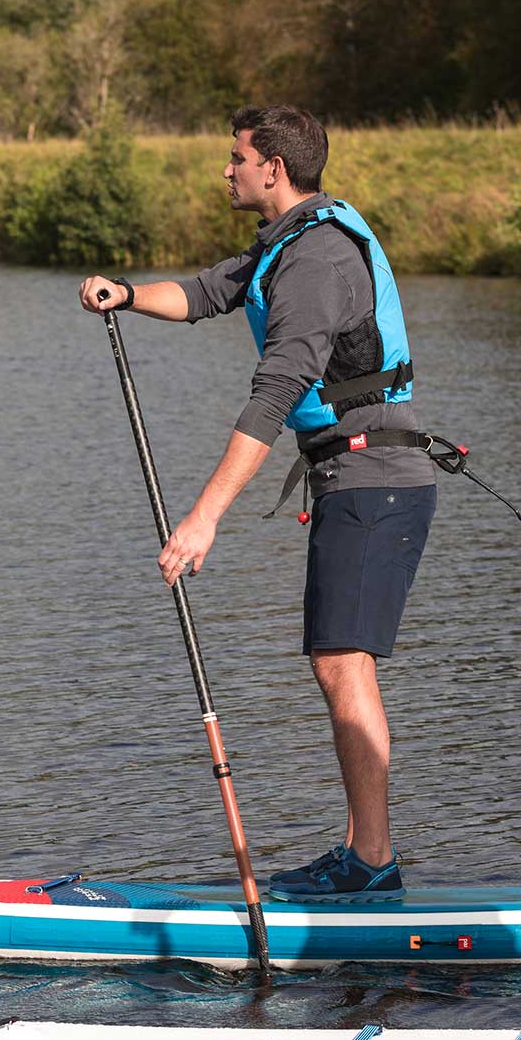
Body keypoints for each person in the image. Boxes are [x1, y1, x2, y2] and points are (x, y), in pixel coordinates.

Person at [78, 104, 435, 904]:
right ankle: (364, 856)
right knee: (338, 662)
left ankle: (371, 864)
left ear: (273, 166)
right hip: (354, 475)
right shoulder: (284, 243)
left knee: (345, 663)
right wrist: (126, 293)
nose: (225, 169)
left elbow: (274, 396)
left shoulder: (315, 262)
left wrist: (204, 516)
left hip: (374, 476)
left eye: (234, 157)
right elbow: (205, 292)